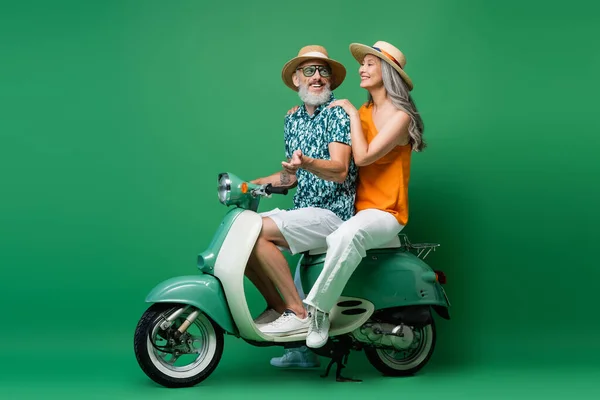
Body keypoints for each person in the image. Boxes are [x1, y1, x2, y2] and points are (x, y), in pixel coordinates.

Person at [293, 40, 426, 349]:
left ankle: (318, 311)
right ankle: (295, 341)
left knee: (346, 236)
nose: (361, 69)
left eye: (369, 63)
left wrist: (352, 112)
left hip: (386, 212)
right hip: (356, 209)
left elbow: (364, 157)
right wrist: (301, 112)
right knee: (306, 247)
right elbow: (332, 131)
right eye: (362, 63)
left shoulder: (400, 118)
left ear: (387, 72)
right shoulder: (364, 112)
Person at [245, 44, 358, 353]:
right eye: (309, 71)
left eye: (323, 71)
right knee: (240, 239)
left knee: (255, 232)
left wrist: (307, 161)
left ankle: (298, 313)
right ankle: (280, 311)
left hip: (332, 214)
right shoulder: (293, 119)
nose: (317, 77)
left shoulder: (338, 114)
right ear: (296, 79)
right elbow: (292, 176)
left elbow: (339, 170)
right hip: (304, 210)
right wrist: (251, 184)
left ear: (332, 80)